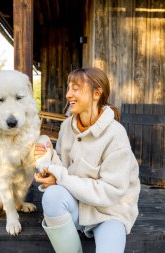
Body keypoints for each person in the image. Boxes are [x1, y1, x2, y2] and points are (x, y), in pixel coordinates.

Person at [34, 67, 141, 253]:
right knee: (52, 196)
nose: (68, 95)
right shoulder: (67, 126)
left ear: (96, 93)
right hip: (77, 205)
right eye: (68, 88)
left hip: (110, 213)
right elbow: (63, 169)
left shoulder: (116, 134)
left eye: (76, 88)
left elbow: (111, 191)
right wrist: (49, 159)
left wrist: (60, 177)